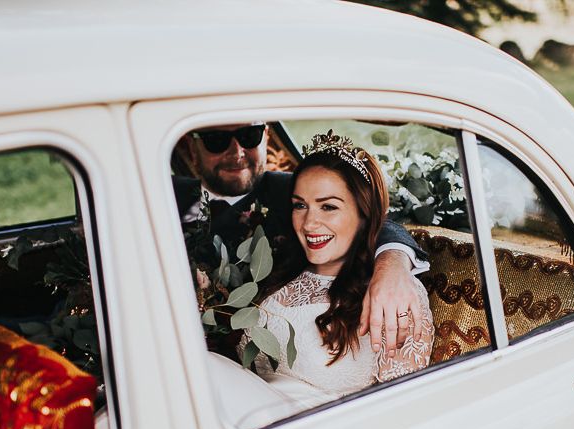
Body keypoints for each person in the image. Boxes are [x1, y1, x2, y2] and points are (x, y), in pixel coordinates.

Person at [173, 122, 429, 356]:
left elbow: (372, 221)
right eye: (216, 140)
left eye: (248, 136)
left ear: (266, 137)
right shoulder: (160, 192)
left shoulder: (292, 191)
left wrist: (392, 263)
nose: (236, 152)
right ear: (192, 148)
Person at [238, 131, 434, 408]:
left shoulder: (394, 291)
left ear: (364, 214)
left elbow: (397, 410)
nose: (308, 223)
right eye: (300, 205)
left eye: (328, 207)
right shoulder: (281, 273)